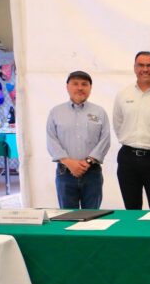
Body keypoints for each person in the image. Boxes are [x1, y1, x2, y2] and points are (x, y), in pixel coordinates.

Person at [113, 51, 150, 210]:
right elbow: (118, 124)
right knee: (131, 208)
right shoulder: (123, 94)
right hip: (127, 158)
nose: (145, 69)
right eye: (141, 65)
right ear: (134, 68)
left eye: (149, 65)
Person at [46, 70, 110, 209]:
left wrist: (88, 161)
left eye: (84, 84)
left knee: (92, 216)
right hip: (65, 173)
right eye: (75, 84)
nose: (80, 88)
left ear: (90, 88)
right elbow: (51, 140)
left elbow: (105, 139)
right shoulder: (56, 112)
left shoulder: (99, 112)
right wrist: (69, 162)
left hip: (92, 173)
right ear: (67, 87)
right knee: (67, 216)